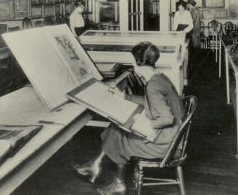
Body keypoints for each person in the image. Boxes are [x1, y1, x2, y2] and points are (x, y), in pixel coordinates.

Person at [72, 42, 185, 195]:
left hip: (167, 145)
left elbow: (166, 118)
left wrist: (146, 124)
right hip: (173, 137)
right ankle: (95, 165)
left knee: (120, 136)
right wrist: (125, 96)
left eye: (133, 60)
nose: (132, 64)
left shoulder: (153, 85)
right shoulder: (159, 77)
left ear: (139, 63)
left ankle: (118, 184)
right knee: (116, 127)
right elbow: (151, 101)